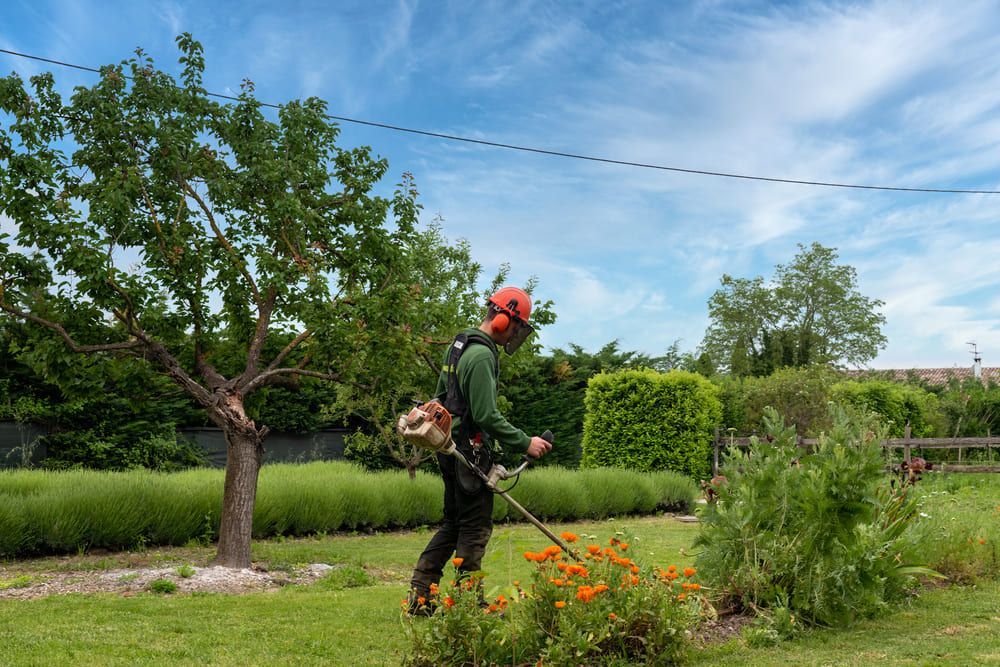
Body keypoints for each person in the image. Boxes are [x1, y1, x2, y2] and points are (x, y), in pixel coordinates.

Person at [408, 286, 551, 611]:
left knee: (453, 524)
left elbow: (439, 398)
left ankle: (421, 596)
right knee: (474, 528)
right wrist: (526, 442)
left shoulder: (459, 346)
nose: (515, 334)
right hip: (468, 455)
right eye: (517, 327)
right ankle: (469, 605)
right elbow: (486, 415)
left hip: (448, 449)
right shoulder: (483, 355)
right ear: (503, 320)